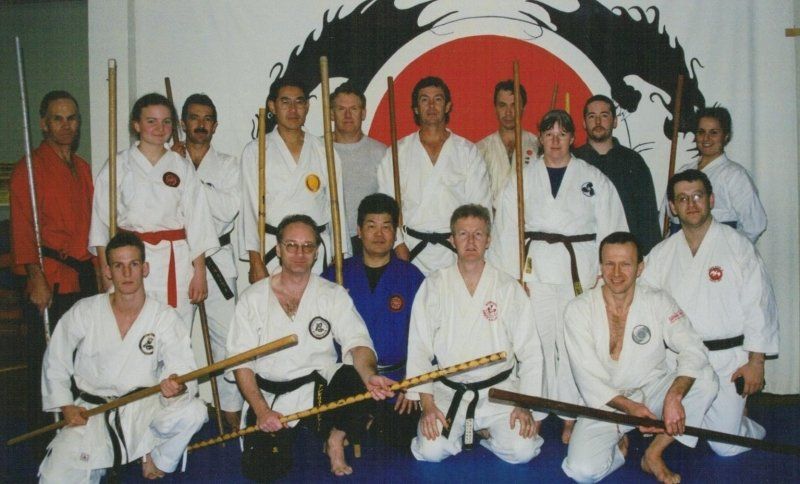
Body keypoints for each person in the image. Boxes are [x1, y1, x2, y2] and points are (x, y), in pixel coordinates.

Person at [489, 109, 628, 443]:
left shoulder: (593, 178)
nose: (554, 140)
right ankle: (535, 410)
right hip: (533, 270)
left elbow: (613, 228)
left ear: (572, 138)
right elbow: (507, 227)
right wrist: (512, 275)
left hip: (578, 270)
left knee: (571, 344)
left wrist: (605, 273)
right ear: (539, 138)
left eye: (561, 134)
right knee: (535, 341)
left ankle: (570, 413)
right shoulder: (521, 178)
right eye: (548, 133)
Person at [227, 215, 394, 479]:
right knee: (262, 470)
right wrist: (261, 411)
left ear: (317, 252)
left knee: (355, 379)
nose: (299, 253)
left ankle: (335, 439)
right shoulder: (253, 298)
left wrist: (370, 375)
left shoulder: (331, 294)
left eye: (308, 246)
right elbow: (241, 363)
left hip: (318, 389)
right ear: (279, 249)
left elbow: (358, 343)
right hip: (269, 396)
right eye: (291, 245)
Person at [38, 232, 207, 482]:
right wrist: (66, 405)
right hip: (91, 412)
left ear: (145, 268)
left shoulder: (164, 317)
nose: (127, 273)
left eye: (134, 264)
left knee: (195, 411)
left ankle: (156, 457)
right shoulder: (85, 312)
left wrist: (176, 385)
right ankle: (99, 459)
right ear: (108, 271)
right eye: (119, 266)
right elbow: (56, 358)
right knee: (53, 478)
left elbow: (180, 365)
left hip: (142, 409)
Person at [643, 169, 779, 457]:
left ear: (711, 199)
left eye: (697, 196)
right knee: (663, 414)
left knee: (726, 446)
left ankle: (742, 422)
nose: (691, 204)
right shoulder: (661, 254)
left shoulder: (738, 246)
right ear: (672, 207)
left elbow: (760, 305)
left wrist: (756, 362)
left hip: (728, 360)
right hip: (678, 362)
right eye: (682, 198)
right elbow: (643, 303)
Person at [562, 232, 717, 483]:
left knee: (706, 379)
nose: (616, 273)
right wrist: (632, 409)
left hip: (651, 390)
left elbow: (693, 347)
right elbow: (588, 379)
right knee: (581, 471)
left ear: (640, 267)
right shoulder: (578, 310)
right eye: (609, 264)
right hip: (605, 403)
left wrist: (674, 395)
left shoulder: (658, 300)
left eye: (626, 264)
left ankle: (653, 453)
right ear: (600, 267)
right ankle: (621, 445)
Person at [406, 204, 545, 464]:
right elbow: (419, 348)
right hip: (449, 391)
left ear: (488, 240)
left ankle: (487, 433)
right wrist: (427, 406)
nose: (470, 241)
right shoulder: (434, 285)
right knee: (431, 451)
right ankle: (464, 432)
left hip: (500, 391)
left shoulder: (507, 287)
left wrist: (524, 403)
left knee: (523, 450)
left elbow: (531, 352)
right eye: (463, 234)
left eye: (478, 234)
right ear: (452, 239)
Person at [9, 90, 97, 453]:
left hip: (83, 275)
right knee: (47, 360)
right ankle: (44, 439)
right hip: (49, 275)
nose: (66, 125)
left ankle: (78, 432)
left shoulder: (83, 168)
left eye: (72, 118)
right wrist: (35, 276)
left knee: (81, 357)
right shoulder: (28, 170)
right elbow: (22, 226)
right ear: (44, 123)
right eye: (58, 118)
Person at [89, 93, 218, 325]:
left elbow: (197, 221)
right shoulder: (118, 165)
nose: (160, 128)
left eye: (166, 121)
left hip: (175, 263)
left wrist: (199, 273)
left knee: (175, 334)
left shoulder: (181, 166)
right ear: (136, 125)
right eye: (151, 121)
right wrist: (105, 273)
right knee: (133, 330)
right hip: (130, 263)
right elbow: (100, 225)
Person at [323, 193, 425, 448]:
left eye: (386, 226)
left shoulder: (412, 277)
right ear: (358, 231)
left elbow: (426, 338)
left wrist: (412, 386)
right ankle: (355, 421)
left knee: (400, 440)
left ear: (395, 233)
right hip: (350, 380)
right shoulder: (335, 275)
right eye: (371, 226)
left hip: (396, 381)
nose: (379, 234)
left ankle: (366, 422)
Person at [172, 93, 242, 430]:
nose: (201, 124)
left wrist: (187, 177)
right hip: (177, 260)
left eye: (207, 118)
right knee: (174, 341)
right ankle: (178, 415)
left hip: (216, 261)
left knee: (230, 343)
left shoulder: (228, 165)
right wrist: (177, 169)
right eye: (194, 118)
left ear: (215, 125)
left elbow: (228, 210)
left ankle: (232, 416)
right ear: (183, 123)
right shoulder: (167, 163)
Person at [377, 76, 491, 275]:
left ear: (447, 106)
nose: (431, 105)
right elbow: (387, 205)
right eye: (424, 100)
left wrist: (469, 245)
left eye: (438, 99)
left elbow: (480, 207)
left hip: (455, 250)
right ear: (415, 108)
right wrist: (397, 243)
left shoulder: (466, 151)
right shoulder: (397, 153)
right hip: (411, 250)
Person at [240, 78, 350, 282]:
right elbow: (249, 210)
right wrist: (256, 262)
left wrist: (339, 258)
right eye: (285, 102)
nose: (293, 109)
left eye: (299, 102)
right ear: (272, 106)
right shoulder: (256, 151)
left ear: (307, 106)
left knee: (315, 312)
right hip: (273, 252)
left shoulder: (324, 150)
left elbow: (338, 210)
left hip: (314, 252)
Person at [573, 94, 661, 255]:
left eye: (604, 116)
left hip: (624, 254)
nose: (598, 122)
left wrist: (648, 258)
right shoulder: (574, 162)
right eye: (592, 116)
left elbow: (647, 217)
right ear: (584, 123)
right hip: (583, 252)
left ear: (615, 121)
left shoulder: (633, 162)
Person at [668, 106, 767, 243]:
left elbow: (756, 225)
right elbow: (669, 216)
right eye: (701, 132)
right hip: (681, 252)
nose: (706, 138)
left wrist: (730, 252)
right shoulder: (682, 172)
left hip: (718, 255)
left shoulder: (735, 175)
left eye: (714, 132)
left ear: (725, 136)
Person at [330, 82, 387, 255]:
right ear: (331, 114)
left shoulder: (381, 152)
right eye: (341, 109)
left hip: (366, 241)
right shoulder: (317, 149)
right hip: (327, 237)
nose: (347, 115)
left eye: (353, 109)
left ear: (363, 113)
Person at [476, 80, 539, 208]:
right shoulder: (480, 149)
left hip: (528, 221)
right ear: (495, 108)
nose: (509, 112)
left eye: (514, 105)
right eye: (503, 105)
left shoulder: (537, 145)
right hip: (493, 222)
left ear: (523, 108)